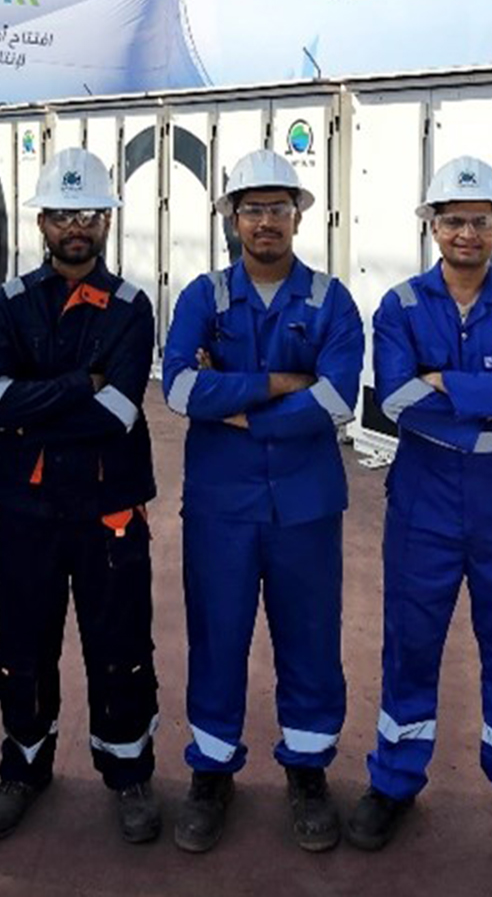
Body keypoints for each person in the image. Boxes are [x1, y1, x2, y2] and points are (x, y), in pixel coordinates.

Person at [346, 156, 492, 873]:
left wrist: (445, 381)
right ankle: (394, 780)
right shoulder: (401, 306)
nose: (467, 233)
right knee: (411, 643)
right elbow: (396, 400)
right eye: (453, 220)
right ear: (432, 227)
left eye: (480, 220)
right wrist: (488, 393)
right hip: (425, 497)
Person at [161, 149, 365, 854]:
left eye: (279, 207)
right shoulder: (203, 297)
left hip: (307, 506)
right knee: (217, 634)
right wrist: (281, 383)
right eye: (253, 209)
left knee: (310, 637)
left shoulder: (332, 300)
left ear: (298, 216)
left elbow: (337, 399)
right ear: (233, 218)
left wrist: (237, 404)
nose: (266, 221)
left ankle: (307, 771)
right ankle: (211, 772)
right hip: (220, 505)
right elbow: (178, 389)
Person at [0, 148, 163, 845]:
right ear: (41, 223)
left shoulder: (132, 309)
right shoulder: (7, 304)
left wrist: (34, 405)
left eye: (88, 214)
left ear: (107, 221)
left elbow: (121, 412)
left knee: (120, 643)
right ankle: (22, 770)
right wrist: (82, 383)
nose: (75, 227)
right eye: (61, 215)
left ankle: (129, 772)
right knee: (21, 642)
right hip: (26, 511)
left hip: (110, 509)